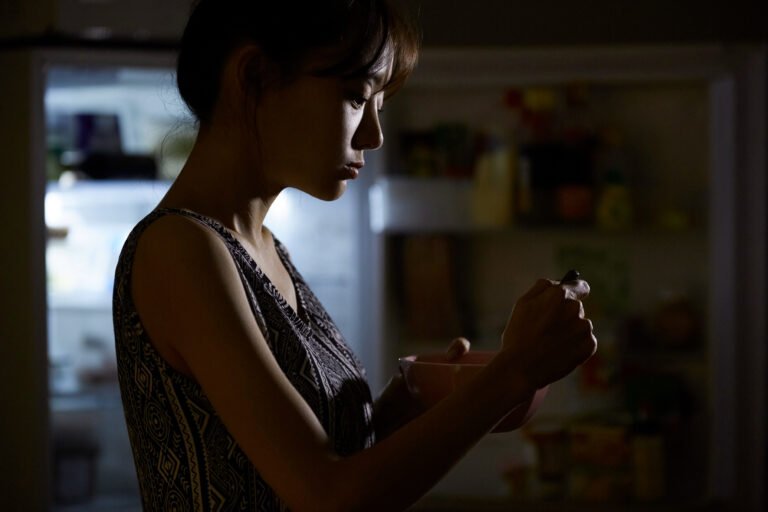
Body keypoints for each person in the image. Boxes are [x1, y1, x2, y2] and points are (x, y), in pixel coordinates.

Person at [112, 0, 597, 510]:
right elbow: (330, 496)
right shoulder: (180, 249)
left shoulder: (264, 249)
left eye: (377, 107)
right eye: (354, 97)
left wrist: (410, 401)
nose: (374, 135)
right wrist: (511, 373)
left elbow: (317, 457)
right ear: (254, 77)